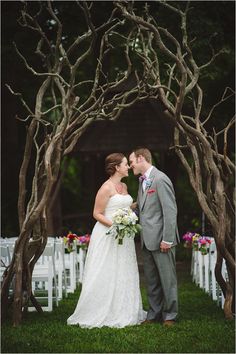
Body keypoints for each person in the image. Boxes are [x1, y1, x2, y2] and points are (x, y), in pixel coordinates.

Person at [67, 153, 146, 328]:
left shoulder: (124, 186)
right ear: (117, 167)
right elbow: (96, 213)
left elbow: (125, 206)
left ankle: (123, 310)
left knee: (123, 269)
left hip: (123, 236)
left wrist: (137, 207)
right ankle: (100, 310)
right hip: (107, 234)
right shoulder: (106, 187)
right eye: (126, 164)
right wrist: (116, 226)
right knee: (106, 270)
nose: (129, 167)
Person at [129, 147, 179, 327]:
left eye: (132, 162)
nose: (130, 166)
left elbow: (170, 211)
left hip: (161, 240)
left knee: (167, 279)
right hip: (146, 240)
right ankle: (154, 314)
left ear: (141, 158)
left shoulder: (160, 179)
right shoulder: (143, 181)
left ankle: (170, 315)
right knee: (152, 280)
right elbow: (142, 208)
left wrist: (167, 239)